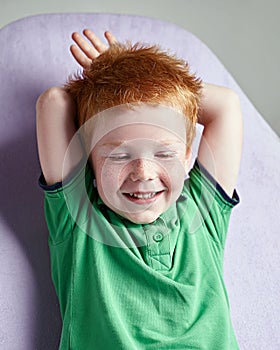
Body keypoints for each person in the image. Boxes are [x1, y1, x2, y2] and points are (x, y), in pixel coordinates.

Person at [36, 29, 243, 349]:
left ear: (187, 156)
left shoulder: (203, 211)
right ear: (89, 159)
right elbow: (53, 103)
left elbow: (226, 106)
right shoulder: (79, 217)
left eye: (164, 153)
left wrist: (152, 83)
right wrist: (111, 79)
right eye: (119, 155)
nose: (144, 173)